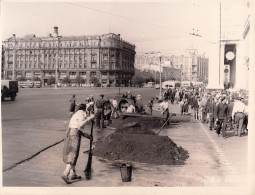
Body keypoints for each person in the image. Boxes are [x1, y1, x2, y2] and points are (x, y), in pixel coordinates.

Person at [61, 104, 95, 184]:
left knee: (72, 153)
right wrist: (90, 118)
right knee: (74, 154)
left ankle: (73, 173)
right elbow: (80, 126)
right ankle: (66, 173)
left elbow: (71, 128)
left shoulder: (75, 114)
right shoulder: (81, 113)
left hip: (71, 134)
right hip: (75, 135)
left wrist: (85, 135)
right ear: (84, 109)